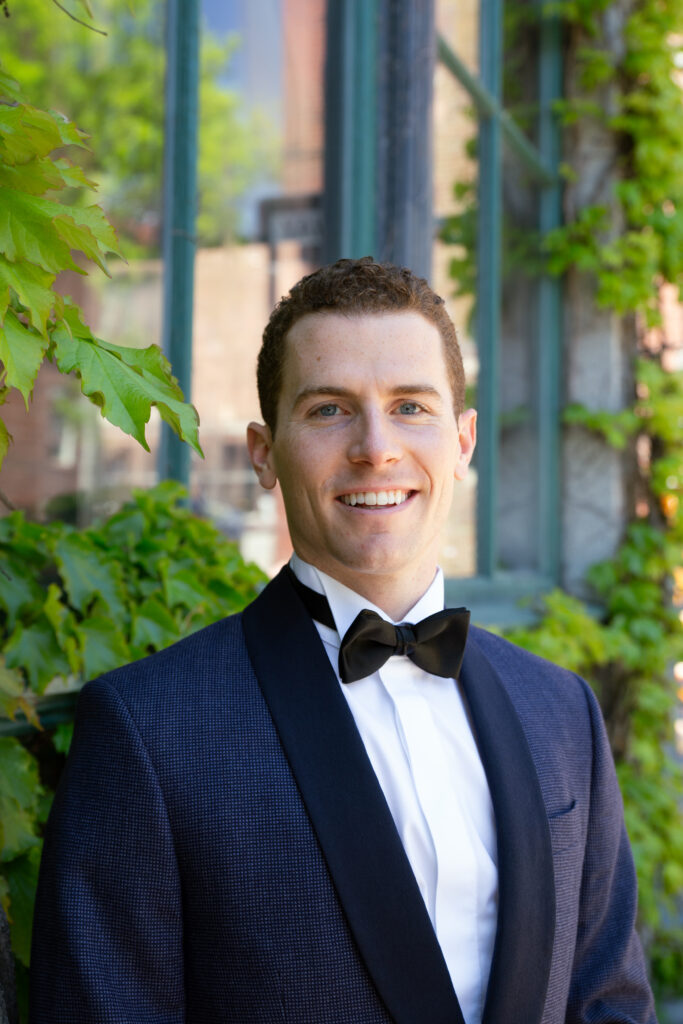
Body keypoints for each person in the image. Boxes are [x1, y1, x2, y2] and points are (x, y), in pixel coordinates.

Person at [30, 258, 656, 1024]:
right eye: (329, 410)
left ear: (462, 441)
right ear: (264, 452)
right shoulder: (147, 733)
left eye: (410, 407)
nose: (375, 448)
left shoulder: (561, 711)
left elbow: (608, 1003)